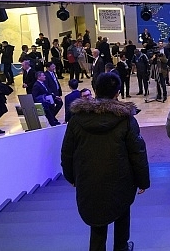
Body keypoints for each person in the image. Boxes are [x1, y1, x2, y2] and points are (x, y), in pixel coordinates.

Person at [61, 72, 150, 251]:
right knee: (122, 212)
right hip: (121, 179)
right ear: (117, 93)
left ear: (95, 90)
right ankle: (121, 248)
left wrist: (71, 177)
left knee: (97, 221)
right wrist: (143, 181)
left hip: (88, 179)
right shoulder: (126, 120)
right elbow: (137, 152)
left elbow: (67, 152)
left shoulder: (77, 119)